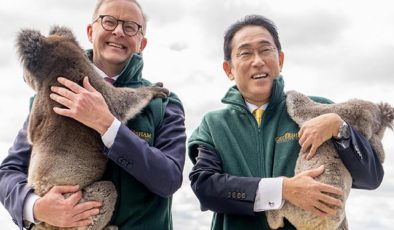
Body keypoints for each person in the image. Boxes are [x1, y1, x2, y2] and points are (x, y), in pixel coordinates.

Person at [0, 0, 186, 229]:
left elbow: (168, 179)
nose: (118, 31)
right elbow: (8, 173)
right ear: (90, 31)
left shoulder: (163, 103)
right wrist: (37, 207)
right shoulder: (51, 92)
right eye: (109, 22)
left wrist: (107, 124)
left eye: (130, 27)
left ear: (142, 42)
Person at [188, 14, 384, 230]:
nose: (258, 61)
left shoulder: (321, 111)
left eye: (266, 50)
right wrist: (283, 189)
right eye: (245, 53)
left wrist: (341, 129)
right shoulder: (214, 125)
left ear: (280, 60)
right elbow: (205, 189)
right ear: (229, 69)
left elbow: (371, 178)